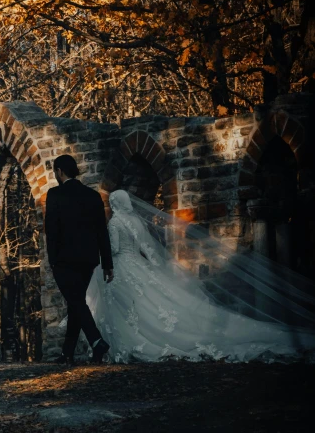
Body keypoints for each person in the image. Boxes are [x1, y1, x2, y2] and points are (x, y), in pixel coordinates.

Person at [86, 189, 315, 363]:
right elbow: (147, 246)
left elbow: (114, 249)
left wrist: (98, 248)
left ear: (114, 203)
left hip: (124, 265)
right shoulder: (136, 220)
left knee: (128, 304)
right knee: (149, 301)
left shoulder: (115, 223)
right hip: (138, 263)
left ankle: (127, 342)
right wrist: (156, 266)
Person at [45, 154, 114, 365]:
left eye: (55, 172)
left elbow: (51, 230)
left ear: (59, 171)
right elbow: (102, 232)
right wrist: (107, 263)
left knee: (75, 301)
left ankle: (96, 340)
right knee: (77, 302)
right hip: (88, 259)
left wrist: (52, 259)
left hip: (64, 260)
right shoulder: (93, 196)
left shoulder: (54, 194)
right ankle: (67, 353)